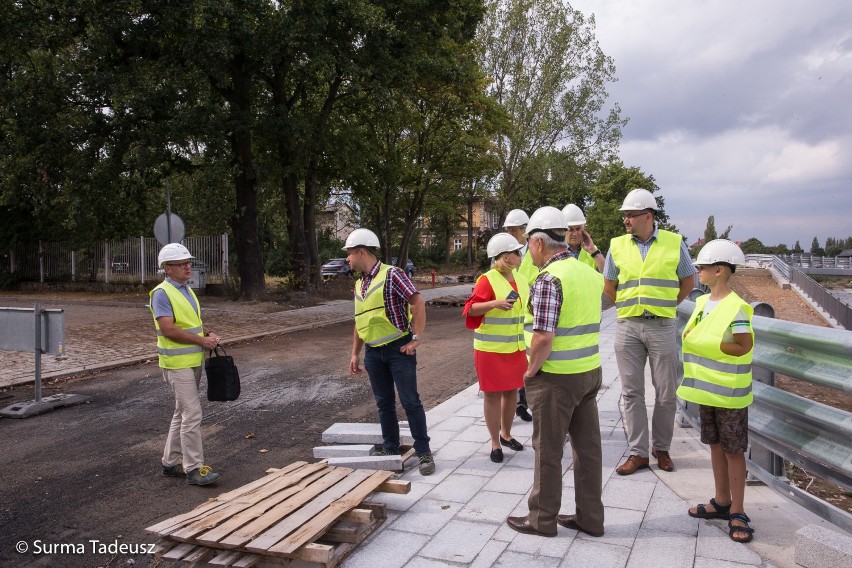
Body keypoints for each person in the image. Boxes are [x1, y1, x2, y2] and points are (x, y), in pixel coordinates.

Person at [506, 206, 605, 538]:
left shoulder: (549, 279)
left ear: (537, 242)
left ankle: (541, 519)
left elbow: (544, 337)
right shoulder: (589, 274)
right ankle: (591, 518)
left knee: (548, 450)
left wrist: (531, 371)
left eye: (527, 246)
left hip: (556, 377)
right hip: (589, 372)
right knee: (588, 450)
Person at [603, 188, 697, 475]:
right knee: (632, 392)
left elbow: (688, 281)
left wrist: (666, 304)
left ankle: (662, 449)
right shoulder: (617, 245)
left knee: (666, 392)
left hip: (661, 326)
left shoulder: (673, 243)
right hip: (628, 327)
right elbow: (609, 285)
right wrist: (627, 307)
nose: (626, 220)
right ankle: (638, 453)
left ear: (648, 216)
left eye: (630, 215)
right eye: (625, 216)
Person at [679, 240, 755, 543]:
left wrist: (706, 343)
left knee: (733, 450)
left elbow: (744, 345)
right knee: (714, 444)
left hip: (729, 393)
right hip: (706, 391)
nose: (697, 270)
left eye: (702, 267)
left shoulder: (736, 307)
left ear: (719, 270)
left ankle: (738, 511)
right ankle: (721, 501)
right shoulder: (701, 303)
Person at [345, 228, 435, 475]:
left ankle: (424, 453)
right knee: (383, 402)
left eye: (349, 254)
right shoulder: (359, 284)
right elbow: (359, 321)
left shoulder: (393, 275)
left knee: (410, 401)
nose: (347, 259)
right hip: (373, 353)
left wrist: (416, 338)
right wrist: (355, 353)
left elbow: (417, 301)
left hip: (399, 349)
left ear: (361, 252)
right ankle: (390, 448)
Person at [150, 243, 221, 486]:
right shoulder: (162, 293)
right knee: (192, 413)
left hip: (192, 360)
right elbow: (168, 329)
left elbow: (192, 322)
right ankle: (193, 468)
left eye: (188, 262)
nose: (187, 267)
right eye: (181, 264)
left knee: (182, 413)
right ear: (167, 269)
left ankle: (169, 463)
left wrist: (208, 334)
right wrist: (202, 340)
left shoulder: (186, 290)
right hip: (176, 363)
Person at [463, 233, 528, 463]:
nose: (521, 255)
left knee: (511, 393)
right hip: (490, 350)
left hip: (515, 348)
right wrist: (495, 304)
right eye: (517, 252)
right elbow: (470, 309)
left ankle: (506, 434)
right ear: (505, 257)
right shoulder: (487, 279)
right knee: (492, 396)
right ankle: (494, 443)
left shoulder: (520, 279)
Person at [503, 208, 535, 423]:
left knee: (529, 359)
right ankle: (514, 402)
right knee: (513, 359)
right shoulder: (505, 254)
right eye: (509, 230)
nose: (511, 233)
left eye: (513, 230)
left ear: (524, 231)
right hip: (513, 311)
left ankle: (523, 403)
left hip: (531, 313)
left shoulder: (534, 252)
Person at [562, 204, 605, 272]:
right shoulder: (555, 251)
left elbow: (607, 274)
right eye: (570, 229)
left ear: (583, 229)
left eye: (578, 229)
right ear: (563, 230)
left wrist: (593, 251)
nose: (575, 233)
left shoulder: (593, 250)